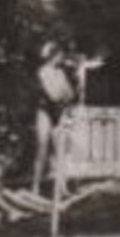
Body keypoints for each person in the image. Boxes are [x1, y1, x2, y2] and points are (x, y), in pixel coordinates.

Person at [31, 42, 77, 195]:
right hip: (44, 111)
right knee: (42, 148)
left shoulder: (60, 73)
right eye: (59, 55)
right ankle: (35, 187)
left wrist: (62, 92)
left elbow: (70, 94)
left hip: (58, 111)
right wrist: (62, 91)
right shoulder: (43, 71)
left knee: (60, 150)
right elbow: (53, 95)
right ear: (53, 55)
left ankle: (61, 187)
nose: (62, 58)